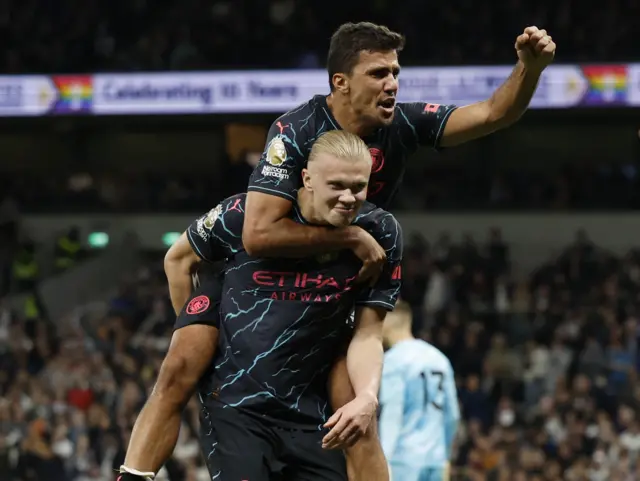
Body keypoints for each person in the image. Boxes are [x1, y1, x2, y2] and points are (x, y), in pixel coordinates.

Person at [120, 21, 556, 481]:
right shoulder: (295, 130)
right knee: (180, 366)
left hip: (332, 285)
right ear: (341, 83)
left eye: (395, 72)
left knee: (355, 414)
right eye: (378, 73)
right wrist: (349, 237)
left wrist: (528, 68)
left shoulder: (402, 125)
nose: (392, 83)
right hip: (258, 270)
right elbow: (259, 235)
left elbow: (492, 113)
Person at [120, 131, 403, 481]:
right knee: (175, 371)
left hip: (310, 407)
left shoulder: (381, 231)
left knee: (362, 416)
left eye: (358, 187)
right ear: (307, 179)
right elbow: (177, 260)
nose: (349, 197)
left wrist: (368, 397)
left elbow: (368, 334)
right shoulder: (243, 214)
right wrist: (192, 332)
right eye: (337, 186)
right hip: (237, 406)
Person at [378, 300, 460, 481]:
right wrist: (445, 456)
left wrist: (384, 462)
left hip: (403, 459)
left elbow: (393, 414)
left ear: (388, 320)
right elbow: (452, 415)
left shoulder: (393, 361)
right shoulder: (439, 358)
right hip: (436, 460)